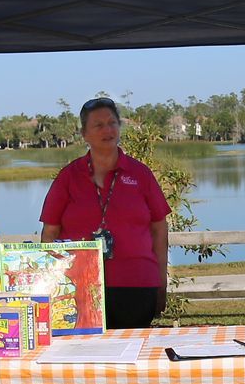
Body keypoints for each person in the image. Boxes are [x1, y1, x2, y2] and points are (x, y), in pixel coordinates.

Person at [40, 98, 172, 329]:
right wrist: (53, 284)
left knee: (133, 358)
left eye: (112, 123)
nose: (107, 130)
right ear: (84, 134)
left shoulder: (140, 174)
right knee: (85, 359)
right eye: (98, 125)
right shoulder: (69, 177)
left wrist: (162, 282)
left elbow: (159, 228)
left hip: (137, 286)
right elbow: (50, 232)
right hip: (79, 289)